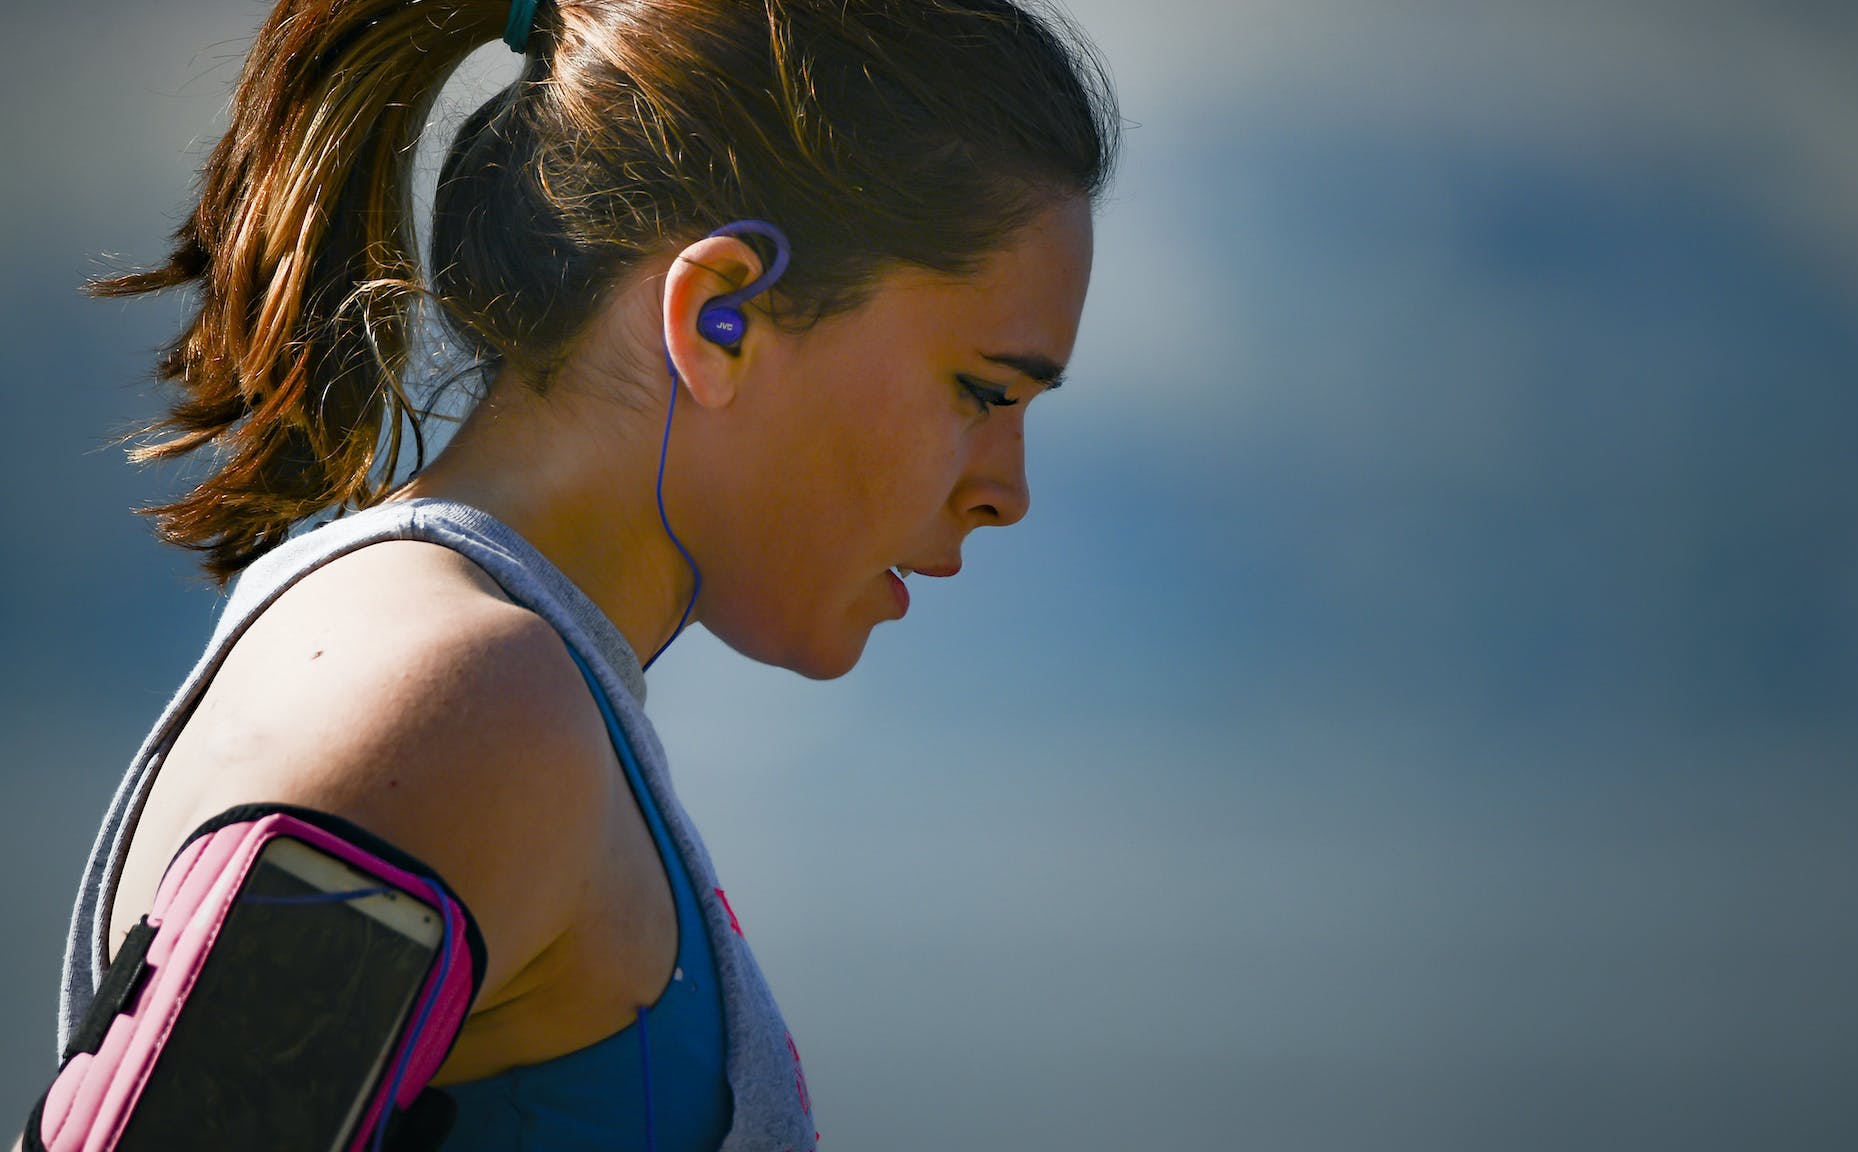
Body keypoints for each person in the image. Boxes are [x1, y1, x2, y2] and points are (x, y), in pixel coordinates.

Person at [42, 0, 1117, 1147]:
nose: (1007, 492)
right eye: (983, 392)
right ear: (720, 317)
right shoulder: (464, 710)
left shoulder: (486, 687)